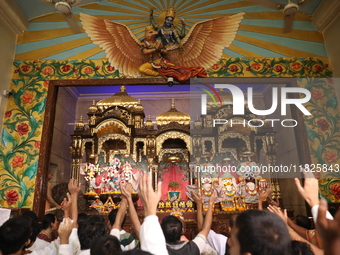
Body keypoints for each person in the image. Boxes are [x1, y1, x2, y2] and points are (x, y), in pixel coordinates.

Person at [139, 25, 207, 82]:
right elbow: (145, 52)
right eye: (150, 32)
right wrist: (155, 49)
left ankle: (194, 73)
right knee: (142, 69)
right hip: (151, 63)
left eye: (153, 32)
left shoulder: (158, 42)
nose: (152, 35)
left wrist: (160, 49)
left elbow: (165, 52)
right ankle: (160, 74)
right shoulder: (144, 43)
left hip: (161, 62)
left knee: (178, 70)